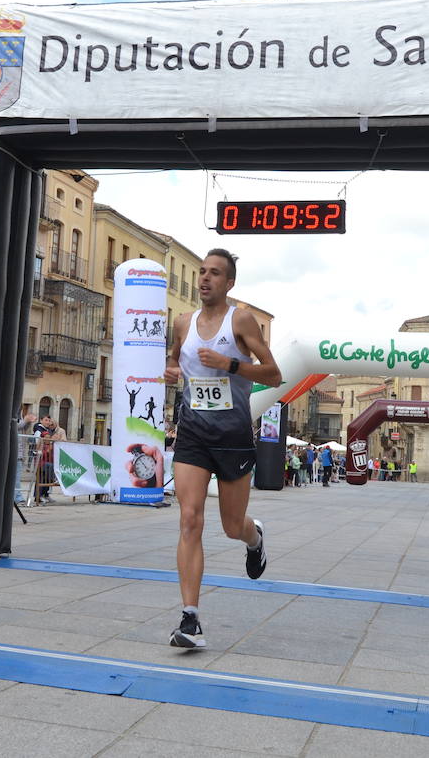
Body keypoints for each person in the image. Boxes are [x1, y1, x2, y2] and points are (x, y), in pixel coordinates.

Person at [164, 249, 281, 649]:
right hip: (193, 431)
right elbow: (175, 358)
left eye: (214, 273)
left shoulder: (241, 320)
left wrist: (230, 365)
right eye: (201, 272)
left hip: (232, 434)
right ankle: (190, 618)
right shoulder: (182, 323)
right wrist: (173, 370)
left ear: (229, 283)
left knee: (232, 526)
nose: (204, 279)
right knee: (190, 519)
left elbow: (273, 372)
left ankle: (254, 537)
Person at [35, 414, 64, 502]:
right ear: (41, 420)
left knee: (46, 478)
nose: (48, 422)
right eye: (46, 420)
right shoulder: (39, 431)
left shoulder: (48, 431)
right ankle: (38, 496)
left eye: (49, 420)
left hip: (47, 461)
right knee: (41, 478)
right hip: (41, 461)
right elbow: (37, 446)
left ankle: (45, 494)